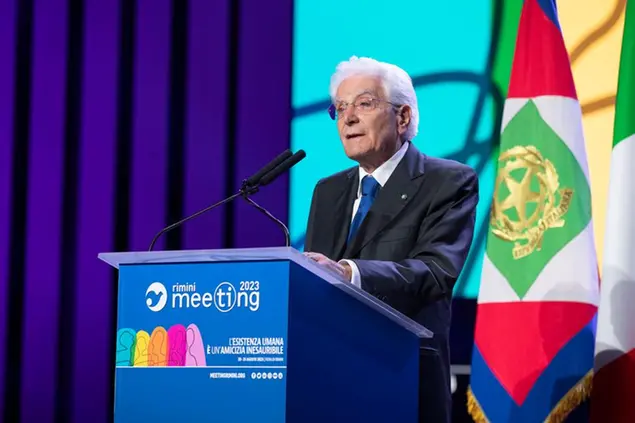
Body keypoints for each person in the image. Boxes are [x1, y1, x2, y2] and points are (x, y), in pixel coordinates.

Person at [303, 56, 479, 422]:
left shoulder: (448, 182)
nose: (348, 118)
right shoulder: (327, 191)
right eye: (340, 108)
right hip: (328, 380)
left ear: (403, 117)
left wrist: (349, 273)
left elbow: (436, 272)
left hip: (402, 377)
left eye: (364, 104)